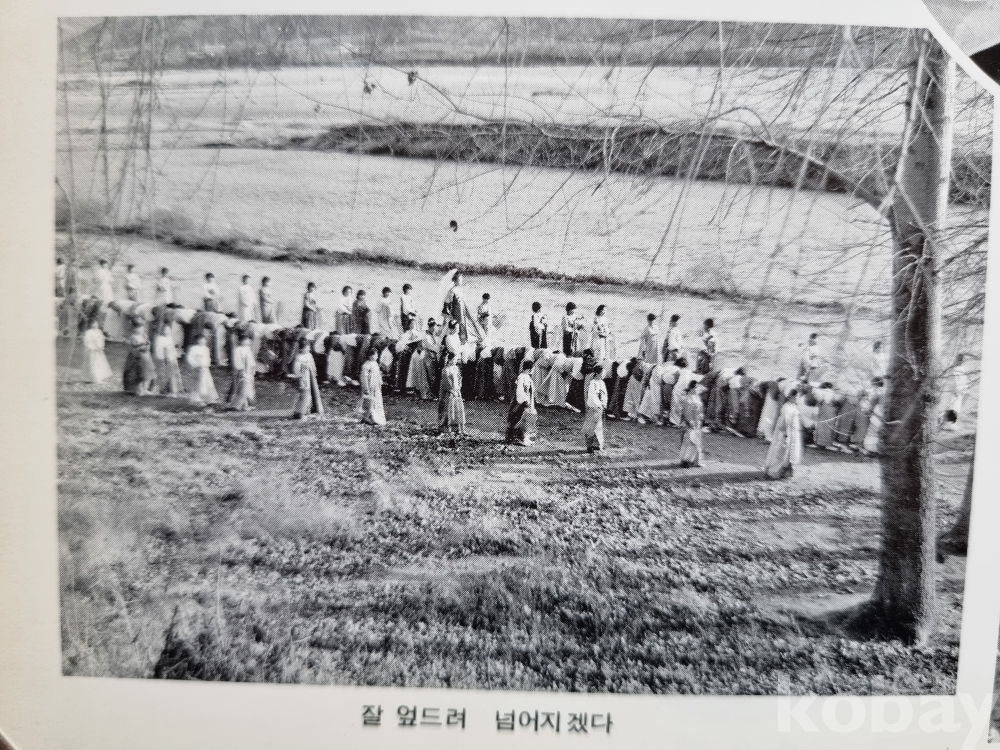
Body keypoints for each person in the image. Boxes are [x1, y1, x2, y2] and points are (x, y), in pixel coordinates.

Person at [764, 387, 803, 479]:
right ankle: (773, 472)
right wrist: (786, 435)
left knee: (790, 454)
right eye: (796, 397)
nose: (797, 399)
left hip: (793, 434)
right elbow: (783, 423)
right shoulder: (786, 408)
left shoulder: (793, 406)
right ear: (791, 397)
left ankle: (786, 472)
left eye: (798, 397)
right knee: (780, 453)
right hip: (785, 434)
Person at [506, 360, 537, 446]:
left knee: (526, 420)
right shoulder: (521, 377)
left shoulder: (527, 377)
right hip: (520, 403)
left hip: (527, 402)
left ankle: (524, 438)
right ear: (530, 369)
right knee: (519, 420)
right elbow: (520, 391)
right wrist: (525, 401)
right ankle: (519, 438)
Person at [291, 339, 323, 419]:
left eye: (309, 348)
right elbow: (296, 369)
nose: (308, 349)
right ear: (301, 349)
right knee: (304, 394)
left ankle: (308, 411)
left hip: (310, 376)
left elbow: (312, 364)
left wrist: (314, 372)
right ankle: (300, 413)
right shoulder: (299, 357)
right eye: (306, 348)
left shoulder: (309, 355)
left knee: (311, 394)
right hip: (303, 377)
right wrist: (301, 377)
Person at [122, 321, 156, 396]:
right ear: (134, 329)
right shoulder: (133, 337)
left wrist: (147, 347)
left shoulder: (144, 336)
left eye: (141, 328)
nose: (140, 330)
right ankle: (137, 389)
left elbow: (148, 343)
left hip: (146, 356)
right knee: (138, 373)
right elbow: (131, 348)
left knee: (146, 373)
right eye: (138, 329)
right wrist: (139, 349)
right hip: (136, 357)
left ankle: (145, 388)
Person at [438, 351, 466, 436]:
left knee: (457, 409)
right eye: (453, 359)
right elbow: (446, 382)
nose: (455, 361)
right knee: (448, 409)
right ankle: (446, 428)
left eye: (456, 360)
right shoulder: (445, 370)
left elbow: (459, 378)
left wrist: (458, 388)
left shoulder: (456, 369)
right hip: (449, 392)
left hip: (456, 390)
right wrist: (452, 390)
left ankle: (457, 428)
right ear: (449, 360)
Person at [186, 334, 219, 406]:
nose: (202, 341)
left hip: (205, 369)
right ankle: (197, 399)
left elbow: (208, 358)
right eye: (200, 340)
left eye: (204, 340)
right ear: (197, 341)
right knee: (198, 384)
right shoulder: (194, 348)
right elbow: (190, 358)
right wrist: (196, 365)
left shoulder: (206, 349)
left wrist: (207, 364)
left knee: (207, 383)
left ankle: (208, 398)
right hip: (197, 369)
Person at [226, 333, 257, 411]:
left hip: (249, 371)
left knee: (249, 388)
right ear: (240, 341)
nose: (246, 342)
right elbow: (237, 361)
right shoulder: (237, 350)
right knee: (242, 388)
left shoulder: (248, 349)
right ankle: (239, 405)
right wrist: (241, 370)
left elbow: (251, 360)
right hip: (241, 371)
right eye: (244, 341)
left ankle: (247, 404)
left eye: (247, 341)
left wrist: (253, 368)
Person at [583, 365, 609, 453]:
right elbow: (592, 396)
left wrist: (604, 403)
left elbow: (605, 394)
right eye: (603, 373)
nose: (604, 374)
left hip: (600, 407)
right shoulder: (592, 383)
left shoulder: (602, 383)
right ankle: (589, 446)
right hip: (593, 407)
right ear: (598, 373)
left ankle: (597, 445)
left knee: (598, 427)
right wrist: (598, 404)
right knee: (590, 427)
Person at [678, 380, 704, 468]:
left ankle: (696, 461)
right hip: (690, 422)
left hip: (697, 421)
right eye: (697, 388)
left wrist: (700, 418)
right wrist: (691, 422)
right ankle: (686, 461)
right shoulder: (688, 399)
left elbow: (700, 409)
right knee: (690, 441)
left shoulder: (696, 397)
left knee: (696, 441)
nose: (698, 390)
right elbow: (687, 412)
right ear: (693, 388)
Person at [153, 323, 184, 396]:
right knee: (164, 374)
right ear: (162, 331)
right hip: (163, 358)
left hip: (171, 358)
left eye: (168, 330)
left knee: (173, 373)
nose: (167, 332)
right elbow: (158, 350)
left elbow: (172, 348)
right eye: (165, 330)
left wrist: (174, 352)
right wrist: (163, 357)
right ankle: (161, 389)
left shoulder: (170, 338)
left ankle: (174, 389)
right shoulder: (159, 339)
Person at [359, 348, 387, 425]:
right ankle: (368, 418)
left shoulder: (375, 363)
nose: (377, 356)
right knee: (370, 403)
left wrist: (380, 382)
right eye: (375, 355)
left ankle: (371, 418)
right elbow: (364, 378)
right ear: (370, 356)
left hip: (376, 386)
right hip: (370, 386)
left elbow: (378, 374)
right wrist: (366, 388)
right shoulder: (366, 365)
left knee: (376, 402)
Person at [83, 319, 112, 384]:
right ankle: (95, 378)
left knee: (100, 363)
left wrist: (101, 346)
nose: (95, 325)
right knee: (94, 364)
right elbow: (88, 342)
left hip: (99, 350)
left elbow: (101, 339)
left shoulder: (99, 331)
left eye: (96, 324)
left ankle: (100, 376)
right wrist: (94, 347)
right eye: (93, 324)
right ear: (90, 325)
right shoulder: (88, 332)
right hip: (92, 350)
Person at [442, 271, 468, 343]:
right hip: (455, 312)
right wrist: (448, 315)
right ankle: (450, 342)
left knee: (462, 325)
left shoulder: (460, 289)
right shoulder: (452, 290)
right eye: (459, 280)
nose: (461, 281)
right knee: (455, 326)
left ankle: (462, 341)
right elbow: (447, 303)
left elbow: (463, 300)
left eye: (461, 279)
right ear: (455, 280)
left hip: (461, 310)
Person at [949, 353, 971, 418]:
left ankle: (953, 418)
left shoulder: (961, 369)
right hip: (956, 390)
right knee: (954, 405)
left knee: (956, 406)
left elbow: (963, 380)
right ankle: (951, 418)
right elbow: (956, 380)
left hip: (959, 390)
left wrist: (964, 388)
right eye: (958, 360)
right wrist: (958, 389)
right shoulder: (956, 369)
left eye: (960, 360)